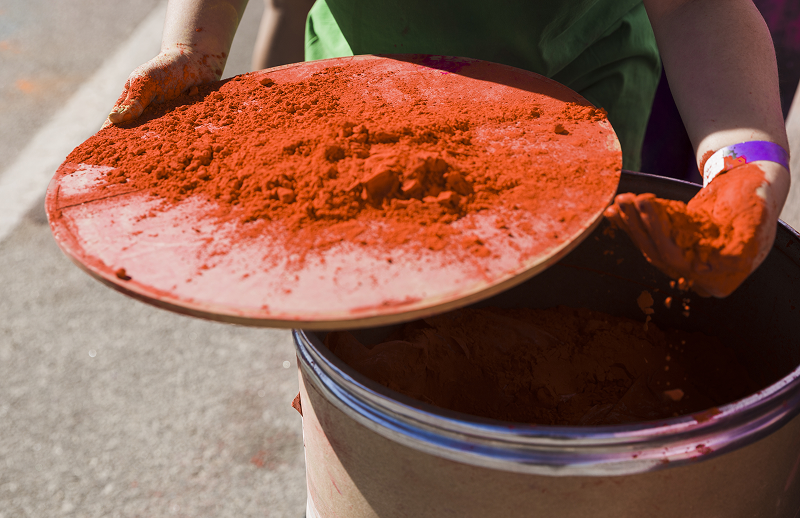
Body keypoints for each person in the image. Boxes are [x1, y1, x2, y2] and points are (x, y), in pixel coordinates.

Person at [107, 0, 790, 298]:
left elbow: (695, 5)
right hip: (352, 122)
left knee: (545, 332)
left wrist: (748, 161)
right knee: (368, 344)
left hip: (568, 122)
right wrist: (195, 46)